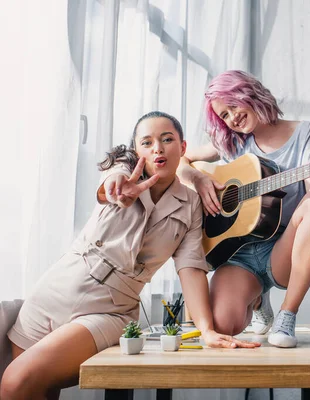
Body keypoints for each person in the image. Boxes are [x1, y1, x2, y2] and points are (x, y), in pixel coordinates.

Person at [0, 111, 261, 400]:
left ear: (183, 148)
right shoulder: (122, 171)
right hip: (56, 292)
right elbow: (112, 182)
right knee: (35, 389)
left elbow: (190, 267)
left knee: (16, 380)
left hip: (109, 310)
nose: (157, 148)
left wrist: (207, 330)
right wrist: (117, 189)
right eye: (146, 143)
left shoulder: (190, 206)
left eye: (167, 139)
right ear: (136, 151)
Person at [178, 70, 310, 348]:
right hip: (237, 253)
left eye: (233, 106)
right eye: (224, 116)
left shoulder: (303, 132)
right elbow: (183, 161)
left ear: (249, 93)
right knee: (222, 325)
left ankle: (286, 315)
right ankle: (257, 300)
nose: (232, 118)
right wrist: (198, 178)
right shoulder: (233, 142)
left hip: (282, 249)